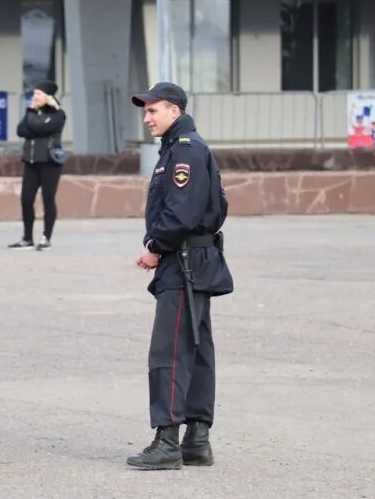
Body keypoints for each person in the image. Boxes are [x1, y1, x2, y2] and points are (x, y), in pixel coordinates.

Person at [126, 82, 233, 471]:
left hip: (183, 258)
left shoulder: (184, 150)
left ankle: (167, 440)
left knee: (169, 350)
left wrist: (155, 246)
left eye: (153, 110)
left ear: (174, 110)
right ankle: (197, 439)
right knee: (196, 347)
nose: (146, 118)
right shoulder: (184, 146)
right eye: (145, 111)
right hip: (197, 256)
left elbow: (182, 213)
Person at [7, 80, 66, 251]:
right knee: (26, 199)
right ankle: (27, 238)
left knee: (48, 199)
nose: (35, 97)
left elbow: (39, 128)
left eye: (38, 94)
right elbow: (21, 130)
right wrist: (34, 121)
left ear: (47, 96)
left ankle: (45, 238)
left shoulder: (58, 113)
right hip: (30, 162)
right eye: (34, 94)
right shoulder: (31, 111)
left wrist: (33, 123)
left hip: (49, 163)